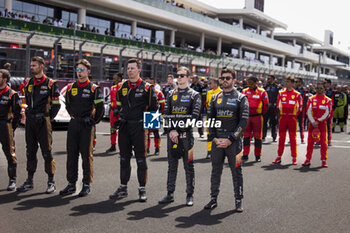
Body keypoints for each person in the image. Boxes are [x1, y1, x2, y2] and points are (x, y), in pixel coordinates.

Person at [109, 58, 158, 202]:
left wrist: (147, 130)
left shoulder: (148, 88)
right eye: (128, 68)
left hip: (139, 127)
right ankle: (123, 187)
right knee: (124, 159)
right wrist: (118, 116)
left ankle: (142, 189)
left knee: (141, 160)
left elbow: (154, 110)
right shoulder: (121, 87)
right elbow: (118, 105)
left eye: (132, 68)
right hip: (124, 127)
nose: (129, 70)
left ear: (139, 70)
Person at [204, 68, 249, 212]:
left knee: (236, 171)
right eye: (222, 78)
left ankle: (238, 200)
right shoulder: (215, 97)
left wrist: (231, 139)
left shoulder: (241, 98)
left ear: (234, 80)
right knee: (215, 171)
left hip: (233, 141)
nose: (224, 80)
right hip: (217, 140)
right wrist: (214, 138)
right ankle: (213, 199)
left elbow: (243, 122)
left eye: (228, 78)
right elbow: (210, 120)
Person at [60, 59, 104, 197]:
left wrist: (92, 120)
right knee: (71, 155)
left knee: (86, 156)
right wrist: (74, 116)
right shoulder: (70, 87)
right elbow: (67, 104)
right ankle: (71, 184)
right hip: (74, 124)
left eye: (82, 70)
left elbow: (100, 108)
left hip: (87, 126)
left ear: (88, 71)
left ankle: (86, 184)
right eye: (77, 70)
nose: (79, 73)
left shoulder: (94, 88)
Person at [158, 66, 201, 206]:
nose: (179, 78)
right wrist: (170, 130)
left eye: (182, 75)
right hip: (172, 137)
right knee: (172, 166)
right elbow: (166, 113)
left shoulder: (195, 95)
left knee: (188, 166)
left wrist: (179, 130)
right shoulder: (171, 94)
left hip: (186, 137)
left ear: (188, 78)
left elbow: (194, 116)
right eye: (178, 75)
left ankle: (190, 195)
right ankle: (170, 193)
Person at [17, 56, 61, 193]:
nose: (32, 68)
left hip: (43, 121)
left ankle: (51, 181)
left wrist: (47, 117)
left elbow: (56, 105)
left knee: (46, 152)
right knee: (30, 151)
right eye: (31, 66)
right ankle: (29, 181)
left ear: (42, 66)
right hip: (30, 121)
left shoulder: (50, 83)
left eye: (34, 65)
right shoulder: (27, 82)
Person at [272, 76, 302, 165]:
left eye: (288, 81)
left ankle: (294, 157)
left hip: (292, 118)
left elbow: (300, 107)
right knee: (281, 138)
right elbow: (278, 105)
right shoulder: (281, 93)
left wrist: (293, 115)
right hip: (283, 118)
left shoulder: (297, 94)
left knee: (293, 138)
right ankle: (279, 156)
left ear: (292, 83)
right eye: (286, 81)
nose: (286, 83)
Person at [0, 69, 21, 191]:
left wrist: (12, 127)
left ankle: (12, 180)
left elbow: (17, 113)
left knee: (10, 153)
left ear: (5, 79)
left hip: (5, 126)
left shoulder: (12, 94)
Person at [302, 82, 332, 167]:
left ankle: (323, 160)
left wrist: (318, 121)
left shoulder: (328, 100)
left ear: (324, 89)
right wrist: (313, 121)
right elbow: (308, 110)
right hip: (312, 123)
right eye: (318, 88)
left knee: (323, 142)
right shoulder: (311, 99)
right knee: (310, 142)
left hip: (322, 124)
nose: (319, 89)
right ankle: (308, 159)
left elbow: (328, 113)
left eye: (321, 88)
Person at [242, 76, 269, 162]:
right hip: (247, 117)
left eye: (251, 82)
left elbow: (266, 105)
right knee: (246, 137)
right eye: (248, 82)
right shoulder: (244, 91)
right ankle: (245, 154)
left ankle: (258, 156)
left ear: (255, 83)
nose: (249, 84)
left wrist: (261, 113)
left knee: (258, 137)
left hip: (257, 117)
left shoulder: (262, 92)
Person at [145, 77, 165, 155]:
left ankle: (157, 148)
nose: (149, 84)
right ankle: (147, 148)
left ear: (154, 84)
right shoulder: (144, 92)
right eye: (147, 83)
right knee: (146, 133)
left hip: (154, 114)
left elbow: (163, 104)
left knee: (156, 133)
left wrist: (160, 114)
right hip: (146, 113)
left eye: (151, 83)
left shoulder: (158, 93)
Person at [106, 73, 123, 153]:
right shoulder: (112, 87)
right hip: (113, 110)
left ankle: (123, 147)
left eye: (115, 78)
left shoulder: (123, 86)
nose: (113, 80)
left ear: (119, 79)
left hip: (121, 111)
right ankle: (113, 145)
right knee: (112, 128)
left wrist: (119, 109)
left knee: (123, 129)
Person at [205, 77, 221, 159]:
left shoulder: (221, 92)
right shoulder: (209, 92)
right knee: (209, 134)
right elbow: (207, 104)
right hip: (209, 116)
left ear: (216, 84)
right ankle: (209, 151)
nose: (209, 85)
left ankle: (219, 152)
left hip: (219, 116)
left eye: (210, 83)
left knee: (219, 134)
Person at [263, 75, 280, 142]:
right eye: (268, 79)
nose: (268, 80)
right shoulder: (266, 87)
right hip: (266, 106)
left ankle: (274, 136)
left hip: (273, 107)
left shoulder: (276, 87)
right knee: (264, 121)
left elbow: (278, 96)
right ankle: (263, 136)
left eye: (269, 79)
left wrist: (275, 103)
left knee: (273, 122)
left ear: (273, 79)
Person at [294, 78, 307, 143]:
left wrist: (302, 107)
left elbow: (305, 100)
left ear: (301, 82)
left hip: (301, 109)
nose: (297, 83)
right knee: (293, 124)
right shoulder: (294, 90)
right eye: (296, 82)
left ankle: (302, 138)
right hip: (294, 109)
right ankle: (293, 138)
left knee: (301, 124)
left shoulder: (304, 90)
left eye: (298, 82)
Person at [324, 78, 334, 145]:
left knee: (328, 125)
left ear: (329, 84)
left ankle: (329, 139)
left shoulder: (333, 91)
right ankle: (320, 139)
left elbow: (333, 101)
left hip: (329, 110)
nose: (325, 84)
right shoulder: (322, 90)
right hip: (321, 110)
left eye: (326, 82)